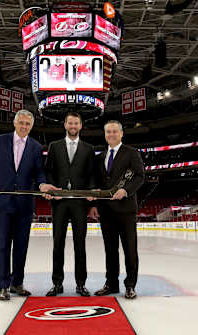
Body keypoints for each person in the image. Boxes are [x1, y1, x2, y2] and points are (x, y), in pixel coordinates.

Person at [0, 110, 58, 301]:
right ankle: (3, 286)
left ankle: (17, 283)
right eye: (21, 123)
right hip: (4, 201)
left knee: (21, 246)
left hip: (25, 203)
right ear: (15, 123)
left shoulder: (35, 146)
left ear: (31, 126)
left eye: (28, 124)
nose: (24, 126)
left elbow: (39, 172)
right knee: (3, 246)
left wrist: (42, 184)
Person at [89, 120, 144, 299]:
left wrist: (126, 190)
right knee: (110, 250)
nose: (111, 135)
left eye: (114, 131)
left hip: (126, 210)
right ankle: (111, 284)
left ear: (121, 133)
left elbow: (139, 176)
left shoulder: (131, 153)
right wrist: (95, 204)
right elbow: (98, 183)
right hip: (106, 211)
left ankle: (130, 285)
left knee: (130, 249)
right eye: (108, 132)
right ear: (105, 135)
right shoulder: (101, 156)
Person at [45, 112, 95, 297]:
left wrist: (90, 194)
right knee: (58, 244)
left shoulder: (89, 149)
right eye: (70, 123)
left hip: (80, 204)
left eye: (76, 123)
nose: (73, 126)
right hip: (59, 203)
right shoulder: (54, 146)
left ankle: (81, 284)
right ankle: (57, 284)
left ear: (81, 125)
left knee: (79, 245)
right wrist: (52, 191)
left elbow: (91, 175)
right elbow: (48, 171)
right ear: (65, 125)